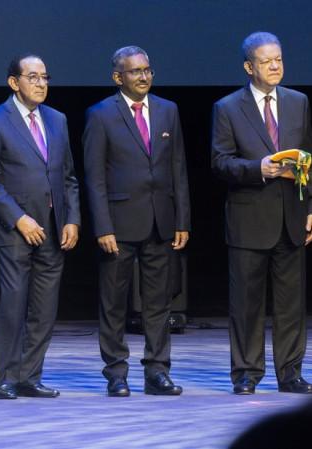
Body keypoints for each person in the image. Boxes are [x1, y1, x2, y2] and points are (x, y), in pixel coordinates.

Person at [211, 32, 312, 395]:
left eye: (278, 59)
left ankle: (290, 374)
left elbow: (311, 159)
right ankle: (246, 373)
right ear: (249, 67)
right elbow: (220, 162)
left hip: (292, 217)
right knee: (246, 304)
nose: (275, 66)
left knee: (292, 305)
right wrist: (257, 168)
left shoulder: (298, 101)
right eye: (266, 61)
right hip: (248, 220)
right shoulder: (227, 107)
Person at [83, 46, 190, 396]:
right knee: (114, 302)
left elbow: (178, 168)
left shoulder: (167, 110)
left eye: (148, 70)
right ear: (118, 77)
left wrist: (182, 219)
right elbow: (95, 176)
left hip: (161, 220)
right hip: (119, 223)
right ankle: (116, 372)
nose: (144, 76)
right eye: (135, 71)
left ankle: (157, 372)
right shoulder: (100, 114)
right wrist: (103, 226)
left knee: (159, 302)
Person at [0, 54, 81, 399]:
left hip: (53, 228)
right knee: (14, 305)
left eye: (44, 77)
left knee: (45, 309)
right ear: (14, 82)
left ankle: (30, 376)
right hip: (14, 230)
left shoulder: (58, 119)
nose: (40, 83)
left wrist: (71, 220)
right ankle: (5, 377)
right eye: (32, 77)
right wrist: (19, 218)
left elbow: (68, 177)